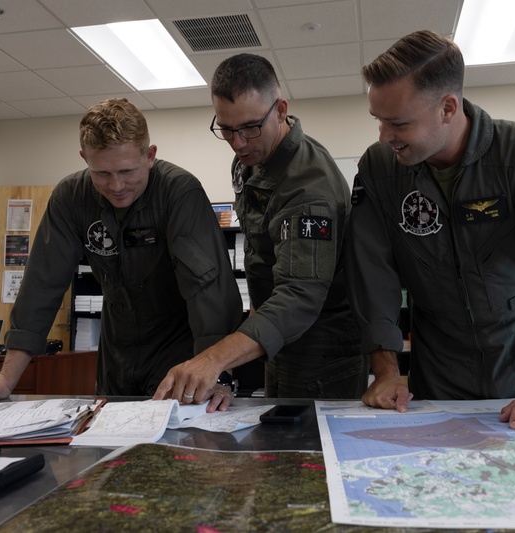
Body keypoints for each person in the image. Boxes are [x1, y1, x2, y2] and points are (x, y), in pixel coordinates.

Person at [345, 30, 515, 432]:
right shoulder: (379, 170)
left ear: (448, 107)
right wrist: (385, 371)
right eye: (378, 120)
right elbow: (371, 271)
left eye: (398, 123)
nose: (384, 137)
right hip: (436, 377)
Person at [0, 98, 242, 406]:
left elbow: (208, 291)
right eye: (102, 173)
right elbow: (41, 286)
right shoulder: (70, 198)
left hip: (179, 350)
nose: (116, 185)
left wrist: (218, 375)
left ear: (150, 155)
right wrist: (5, 380)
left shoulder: (179, 193)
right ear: (84, 158)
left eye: (127, 171)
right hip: (115, 349)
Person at [153, 53, 366, 404]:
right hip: (276, 340)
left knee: (308, 454)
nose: (238, 143)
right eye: (226, 129)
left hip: (322, 353)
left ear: (280, 110)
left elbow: (298, 297)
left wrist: (213, 359)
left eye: (250, 127)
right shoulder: (252, 160)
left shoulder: (308, 188)